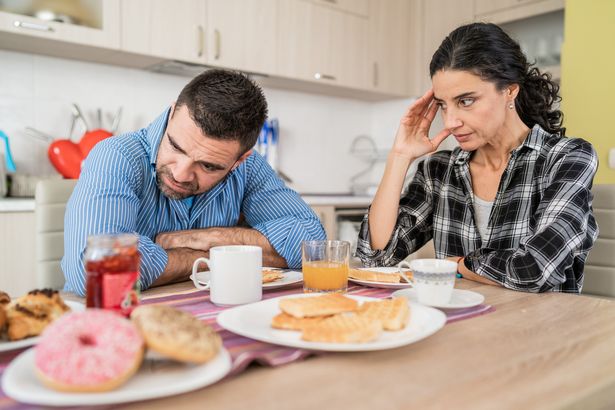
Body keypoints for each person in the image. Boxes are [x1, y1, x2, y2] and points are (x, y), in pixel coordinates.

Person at [356, 22, 598, 293]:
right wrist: (399, 156)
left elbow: (535, 269)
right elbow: (376, 257)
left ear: (509, 90)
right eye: (442, 105)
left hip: (539, 331)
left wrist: (457, 265)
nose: (450, 121)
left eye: (466, 101)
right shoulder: (440, 170)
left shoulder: (566, 158)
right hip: (460, 326)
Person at [63, 69, 325, 296]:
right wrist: (212, 257)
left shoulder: (249, 167)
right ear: (172, 111)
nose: (180, 174)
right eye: (176, 146)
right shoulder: (117, 155)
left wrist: (207, 238)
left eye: (208, 166)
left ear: (239, 160)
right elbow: (96, 271)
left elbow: (313, 246)